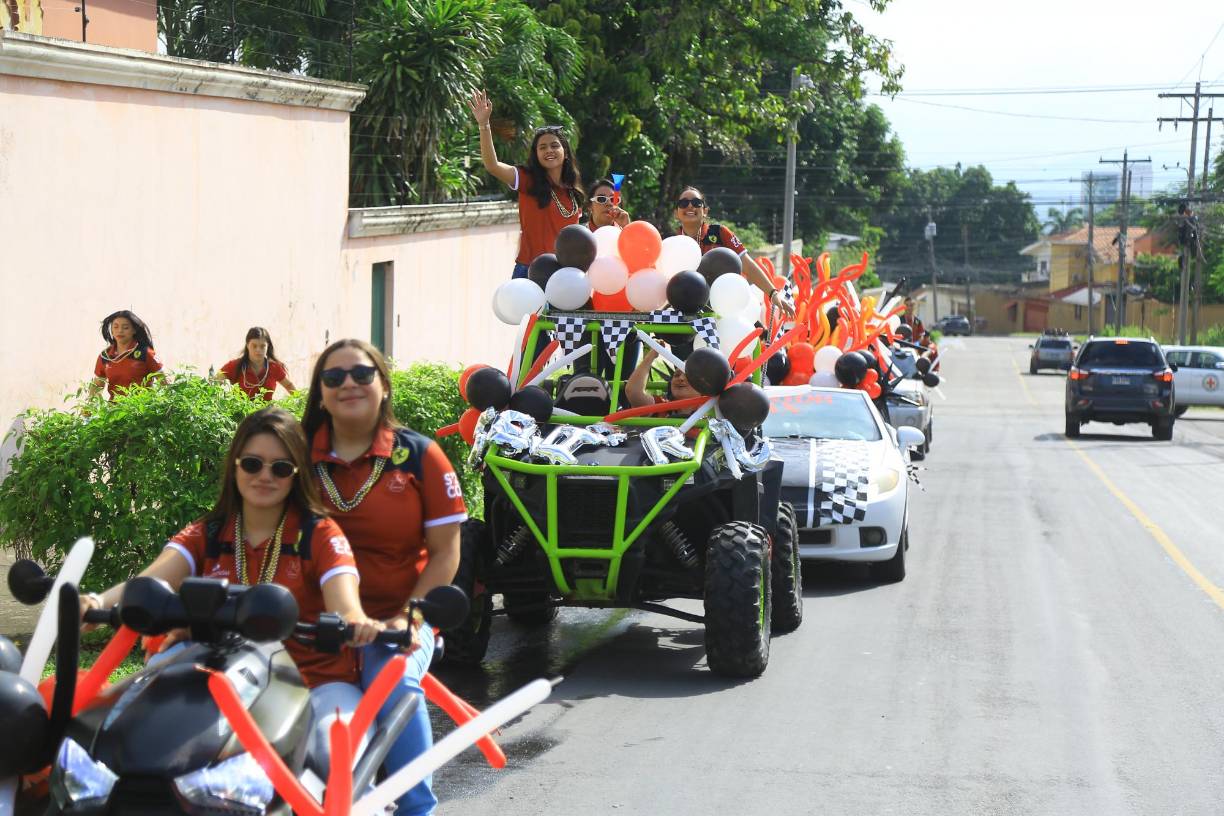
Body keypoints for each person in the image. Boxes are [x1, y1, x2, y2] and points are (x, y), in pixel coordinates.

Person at [78, 407, 384, 769]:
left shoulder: (320, 534)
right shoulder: (208, 532)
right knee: (110, 746)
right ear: (235, 466)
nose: (265, 476)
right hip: (224, 681)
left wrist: (354, 621)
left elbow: (344, 600)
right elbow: (152, 579)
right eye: (253, 464)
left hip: (315, 684)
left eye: (281, 468)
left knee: (331, 760)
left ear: (296, 475)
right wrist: (95, 603)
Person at [302, 339, 466, 816]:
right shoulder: (293, 457)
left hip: (399, 620)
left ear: (383, 385)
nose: (348, 384)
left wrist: (408, 619)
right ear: (319, 394)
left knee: (390, 677)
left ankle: (417, 808)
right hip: (312, 624)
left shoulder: (421, 455)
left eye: (361, 374)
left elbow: (444, 554)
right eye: (333, 377)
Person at [469, 90, 585, 279]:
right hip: (531, 272)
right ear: (536, 155)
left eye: (555, 145)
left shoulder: (574, 191)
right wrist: (484, 125)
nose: (549, 150)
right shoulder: (527, 179)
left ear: (565, 152)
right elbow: (492, 165)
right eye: (542, 147)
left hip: (566, 276)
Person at [674, 186, 795, 319]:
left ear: (705, 211)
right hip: (685, 311)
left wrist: (773, 293)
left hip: (724, 310)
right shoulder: (671, 242)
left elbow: (748, 265)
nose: (690, 206)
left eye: (696, 203)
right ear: (676, 213)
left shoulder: (721, 233)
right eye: (684, 203)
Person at [90, 310, 163, 399]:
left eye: (125, 327)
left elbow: (165, 383)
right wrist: (86, 411)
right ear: (111, 330)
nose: (120, 331)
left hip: (141, 410)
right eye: (115, 327)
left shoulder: (146, 353)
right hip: (114, 410)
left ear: (134, 330)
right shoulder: (105, 356)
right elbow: (96, 388)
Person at [217, 327, 297, 401]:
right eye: (254, 346)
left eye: (262, 346)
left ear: (268, 347)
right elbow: (214, 383)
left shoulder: (274, 367)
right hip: (240, 415)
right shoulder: (234, 366)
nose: (258, 350)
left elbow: (289, 385)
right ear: (247, 345)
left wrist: (299, 402)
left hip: (266, 415)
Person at [625, 347, 701, 410]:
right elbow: (633, 391)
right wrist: (652, 354)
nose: (681, 378)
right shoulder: (661, 407)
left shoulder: (712, 410)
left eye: (688, 375)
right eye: (677, 375)